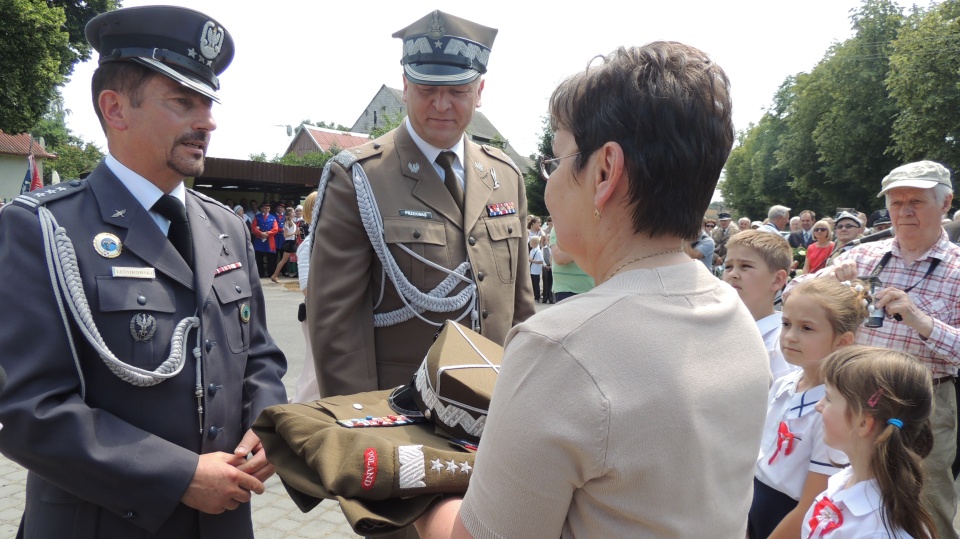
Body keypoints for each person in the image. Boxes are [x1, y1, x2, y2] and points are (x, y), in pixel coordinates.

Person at [414, 42, 770, 539]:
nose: (551, 184)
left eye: (556, 160)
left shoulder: (560, 346)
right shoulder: (735, 315)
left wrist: (421, 500)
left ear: (604, 173)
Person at [0, 6, 287, 538]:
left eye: (207, 103)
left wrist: (267, 424)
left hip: (224, 522)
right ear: (115, 109)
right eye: (183, 102)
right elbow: (28, 410)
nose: (207, 121)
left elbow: (261, 356)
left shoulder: (226, 227)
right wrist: (177, 476)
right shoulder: (40, 229)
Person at [306, 10, 535, 401]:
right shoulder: (359, 177)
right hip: (402, 414)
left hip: (495, 410)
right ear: (406, 86)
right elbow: (336, 324)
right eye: (427, 89)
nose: (441, 104)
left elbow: (520, 309)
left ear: (480, 92)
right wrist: (364, 427)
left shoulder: (505, 177)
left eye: (458, 91)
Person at [795, 160, 960, 539]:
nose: (903, 211)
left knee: (926, 507)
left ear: (946, 203)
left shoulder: (957, 269)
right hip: (854, 399)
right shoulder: (865, 256)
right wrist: (823, 281)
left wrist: (921, 321)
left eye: (915, 202)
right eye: (895, 203)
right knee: (851, 495)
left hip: (925, 406)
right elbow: (791, 299)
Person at [749, 278, 865, 539]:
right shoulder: (784, 383)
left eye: (807, 328)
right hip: (755, 502)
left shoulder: (833, 411)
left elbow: (811, 503)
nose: (790, 336)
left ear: (843, 341)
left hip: (790, 518)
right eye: (786, 324)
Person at [802, 346, 936, 539]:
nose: (818, 406)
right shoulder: (845, 480)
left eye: (829, 398)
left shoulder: (878, 532)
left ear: (863, 423)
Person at [723, 230, 796, 380]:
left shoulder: (780, 346)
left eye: (745, 266)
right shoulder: (719, 328)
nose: (733, 274)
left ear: (777, 280)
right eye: (728, 267)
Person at [291, 191, 320, 403]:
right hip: (318, 313)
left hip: (330, 313)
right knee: (314, 370)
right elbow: (306, 288)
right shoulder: (309, 245)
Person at [270, 207, 298, 282]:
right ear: (289, 214)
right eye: (293, 212)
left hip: (292, 242)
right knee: (284, 260)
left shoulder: (292, 222)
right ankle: (274, 275)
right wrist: (294, 233)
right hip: (289, 243)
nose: (294, 213)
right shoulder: (287, 223)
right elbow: (285, 235)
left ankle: (275, 275)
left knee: (298, 258)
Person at [252, 201, 278, 277]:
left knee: (271, 259)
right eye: (265, 208)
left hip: (269, 240)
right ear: (262, 209)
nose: (267, 209)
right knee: (259, 258)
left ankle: (271, 273)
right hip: (259, 240)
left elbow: (275, 229)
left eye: (268, 208)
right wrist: (261, 233)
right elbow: (253, 227)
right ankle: (260, 274)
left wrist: (267, 234)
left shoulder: (273, 218)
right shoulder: (257, 217)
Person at [528, 235, 544, 302]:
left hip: (536, 270)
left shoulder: (538, 251)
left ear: (534, 243)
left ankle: (537, 297)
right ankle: (533, 296)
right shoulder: (532, 250)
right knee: (532, 284)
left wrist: (532, 261)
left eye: (530, 242)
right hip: (531, 270)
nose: (529, 243)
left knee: (536, 284)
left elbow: (541, 261)